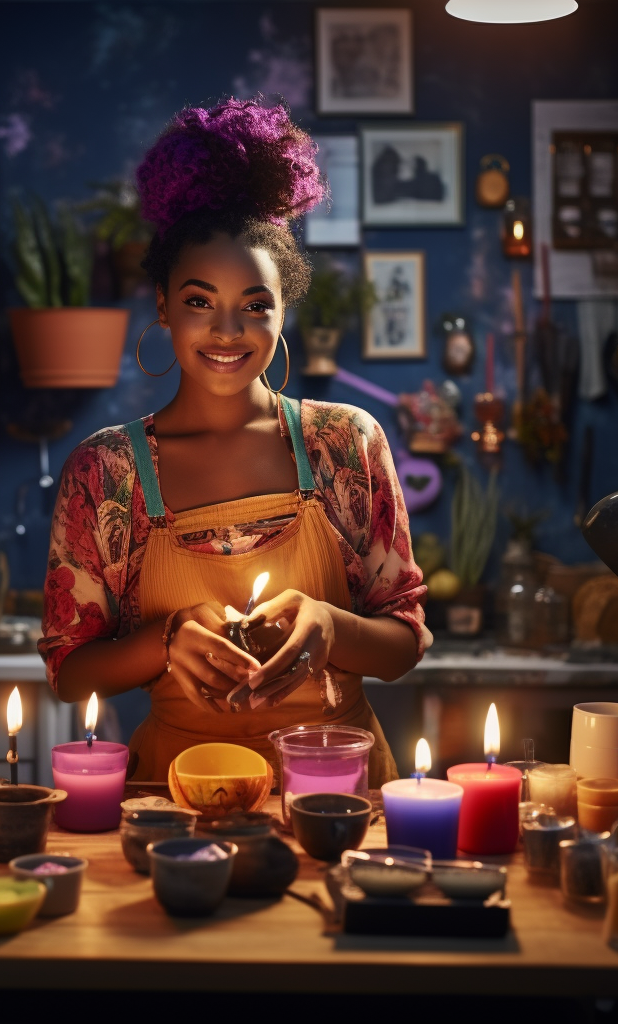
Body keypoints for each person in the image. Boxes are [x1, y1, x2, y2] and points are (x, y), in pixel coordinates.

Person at [39, 98, 431, 784]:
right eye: (199, 301)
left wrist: (332, 629)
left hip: (336, 795)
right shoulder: (106, 472)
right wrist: (165, 643)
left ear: (284, 311)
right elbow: (70, 674)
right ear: (162, 303)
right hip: (174, 794)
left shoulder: (346, 443)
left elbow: (404, 643)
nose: (227, 331)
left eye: (255, 305)